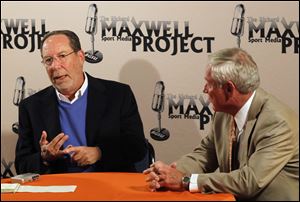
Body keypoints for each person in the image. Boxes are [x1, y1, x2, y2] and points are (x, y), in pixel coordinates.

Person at [143, 48, 299, 201]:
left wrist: (185, 181)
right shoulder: (223, 113)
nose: (204, 89)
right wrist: (171, 172)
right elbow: (206, 154)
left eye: (209, 84)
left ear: (229, 88)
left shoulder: (278, 122)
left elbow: (249, 181)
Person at [15, 30, 148, 174]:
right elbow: (22, 164)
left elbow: (137, 148)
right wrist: (44, 158)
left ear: (80, 57)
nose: (55, 66)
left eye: (62, 56)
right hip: (59, 189)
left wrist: (99, 153)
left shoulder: (118, 94)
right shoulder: (31, 106)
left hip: (108, 185)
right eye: (48, 60)